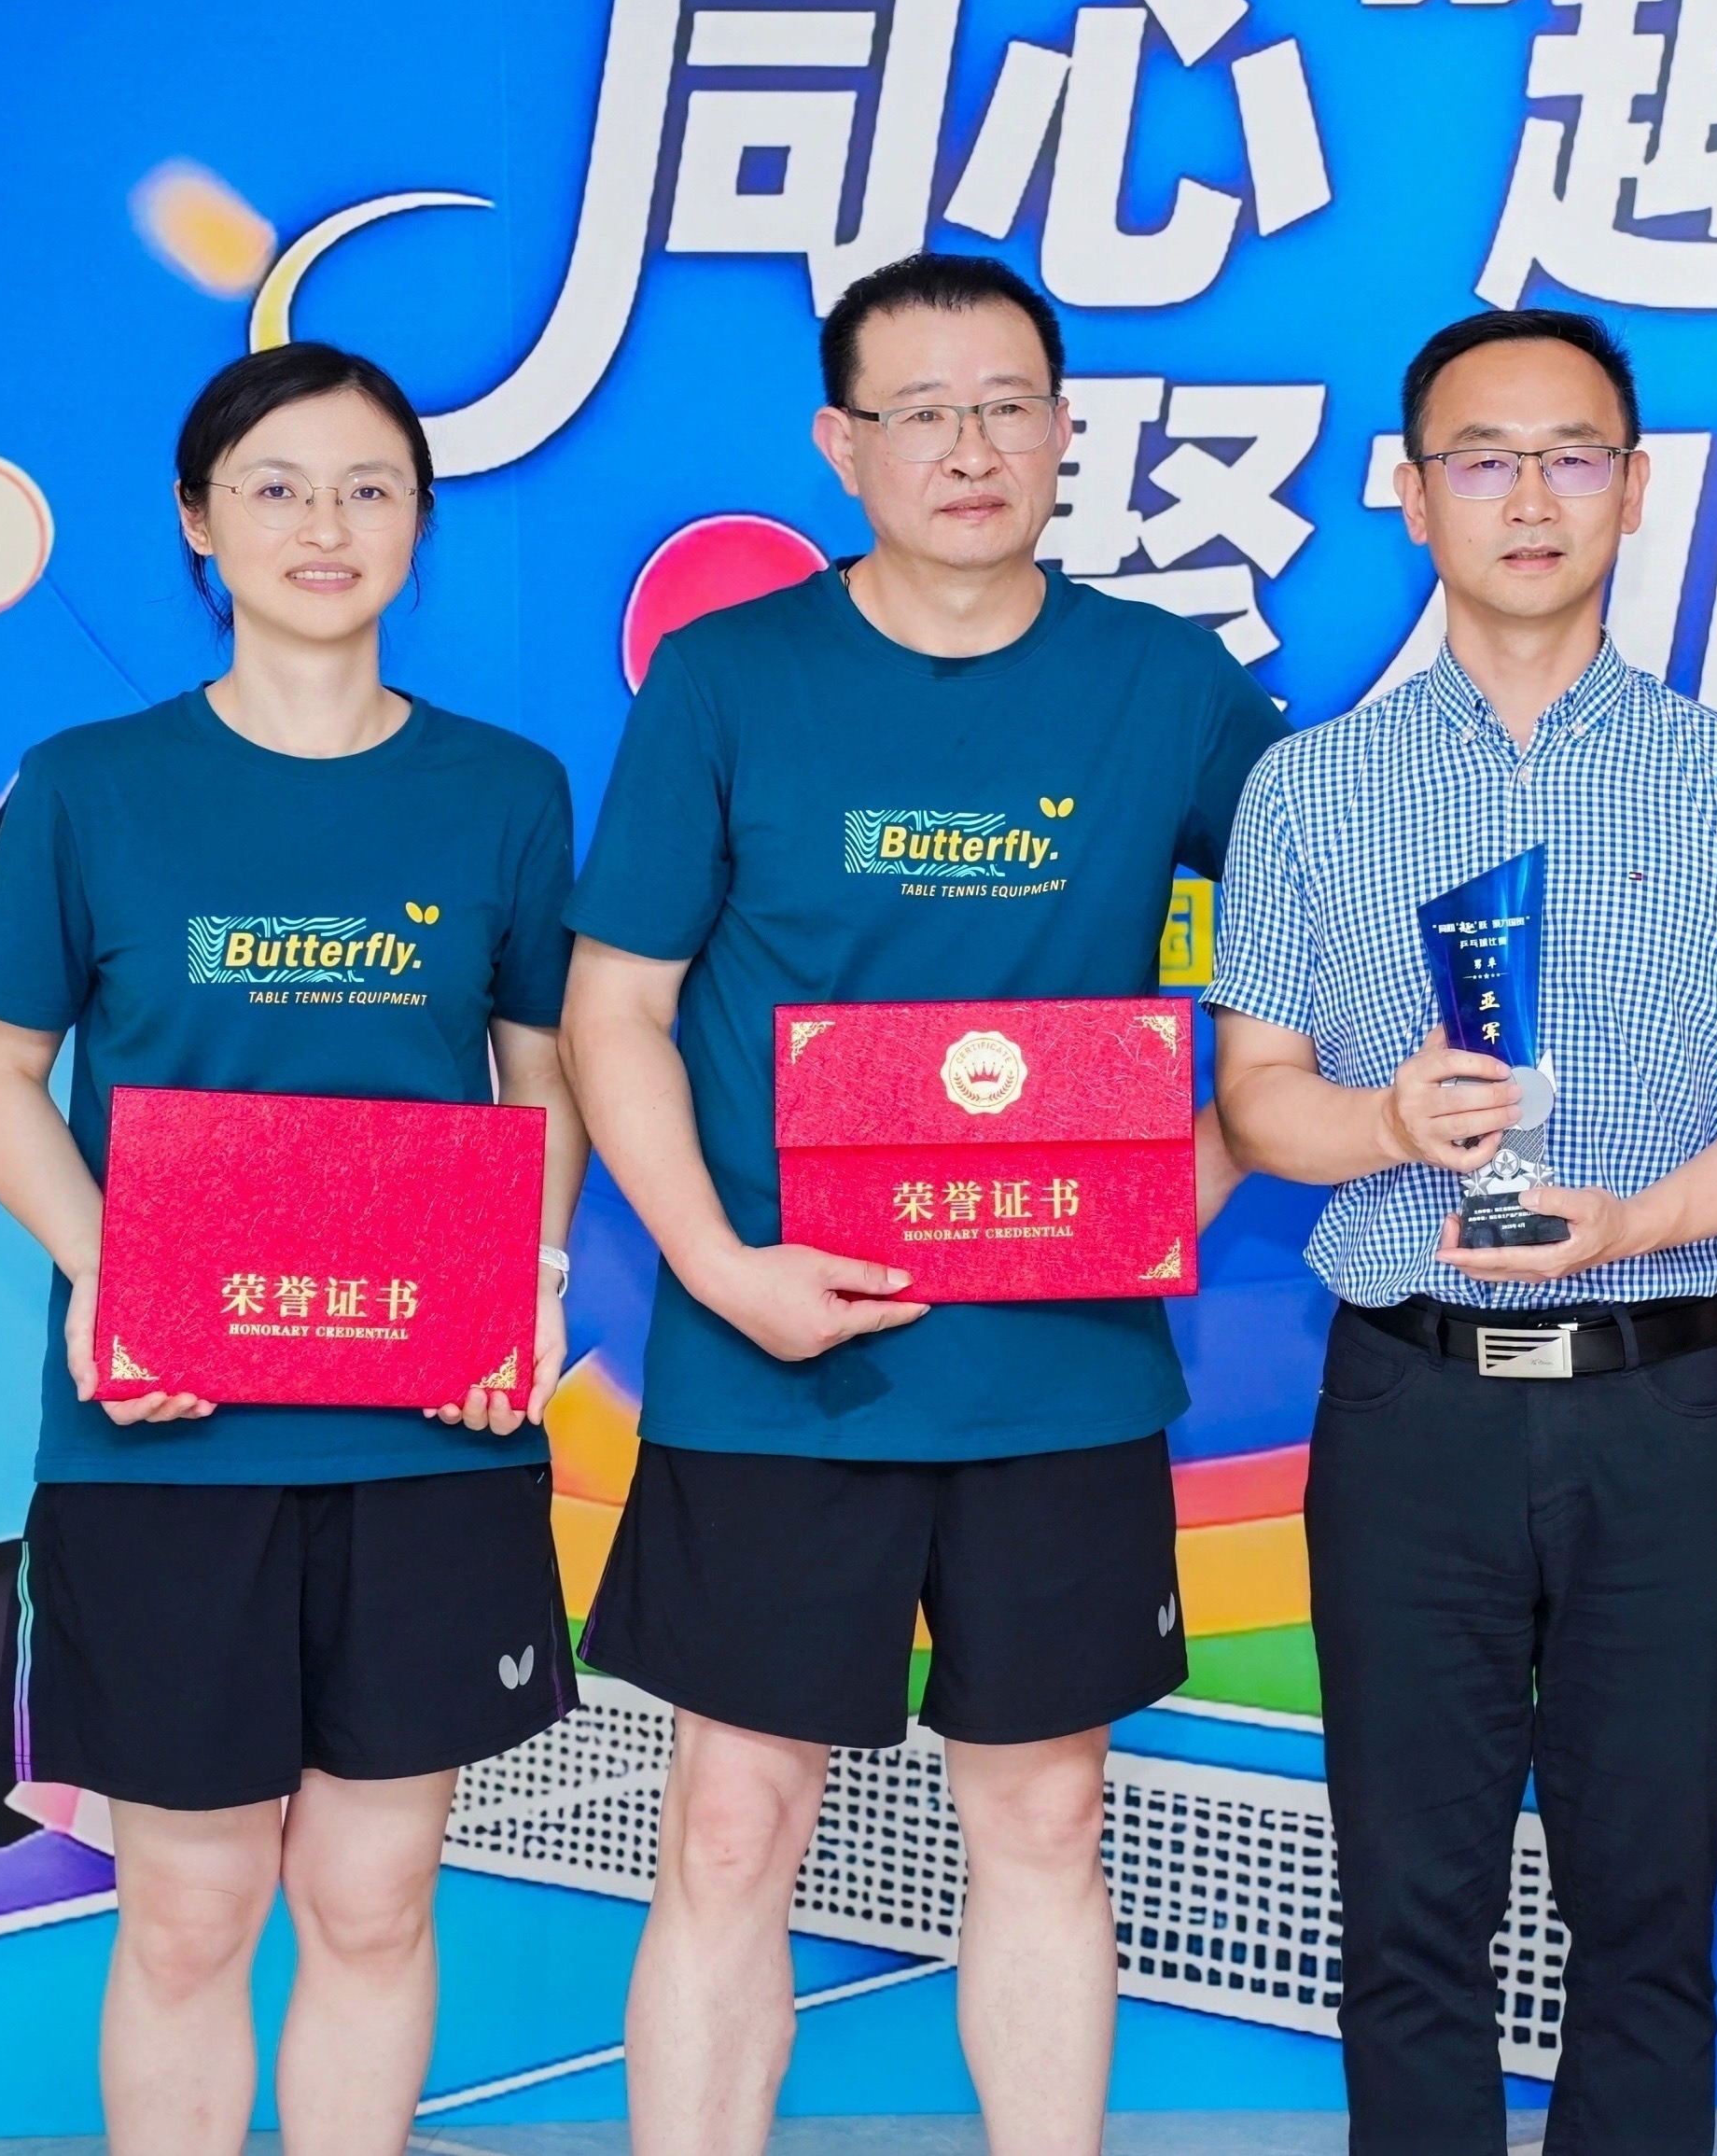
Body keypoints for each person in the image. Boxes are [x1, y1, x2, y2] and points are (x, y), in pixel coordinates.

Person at [557, 251, 1285, 2156]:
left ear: (1063, 430)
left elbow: (1328, 946)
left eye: (1009, 408)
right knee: (732, 1825)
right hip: (777, 1367)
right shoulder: (732, 679)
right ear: (841, 443)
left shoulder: (1166, 685)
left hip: (1057, 1374)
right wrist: (718, 1269)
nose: (972, 450)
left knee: (1043, 1816)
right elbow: (614, 1006)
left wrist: (1185, 1179)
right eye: (924, 414)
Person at [1209, 307, 1717, 2154]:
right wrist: (1382, 1121)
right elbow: (1256, 1094)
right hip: (1408, 1407)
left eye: (1571, 456)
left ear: (1634, 491)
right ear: (1413, 495)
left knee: (1648, 1907)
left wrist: (1640, 1216)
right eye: (1480, 458)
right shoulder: (1311, 792)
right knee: (1407, 1910)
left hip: (1656, 1404)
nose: (1527, 497)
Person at [0, 342, 585, 2154]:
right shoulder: (91, 787)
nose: (326, 526)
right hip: (162, 1446)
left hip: (426, 1436)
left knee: (374, 1901)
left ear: (421, 524)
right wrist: (111, 1274)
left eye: (370, 489)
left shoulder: (506, 791)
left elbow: (540, 1074)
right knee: (189, 1909)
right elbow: (1, 1078)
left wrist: (521, 1278)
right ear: (198, 523)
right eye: (278, 488)